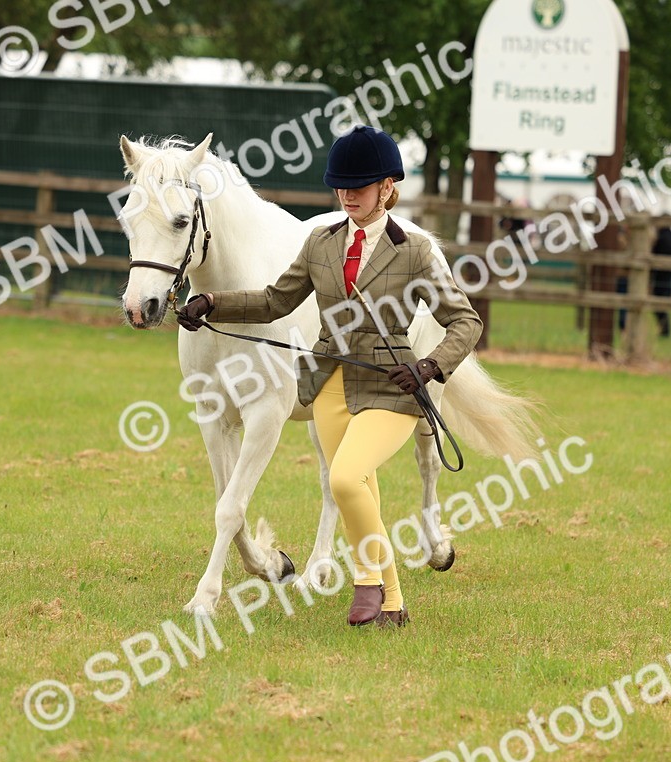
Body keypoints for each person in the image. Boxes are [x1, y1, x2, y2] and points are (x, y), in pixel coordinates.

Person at [177, 125, 483, 629]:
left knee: (344, 479)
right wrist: (213, 302)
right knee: (364, 491)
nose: (347, 195)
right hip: (329, 386)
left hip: (391, 387)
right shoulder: (321, 242)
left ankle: (366, 581)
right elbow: (276, 300)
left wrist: (429, 367)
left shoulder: (416, 251)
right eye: (340, 186)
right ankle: (394, 603)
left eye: (358, 187)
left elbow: (466, 321)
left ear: (387, 187)